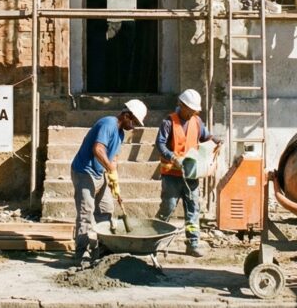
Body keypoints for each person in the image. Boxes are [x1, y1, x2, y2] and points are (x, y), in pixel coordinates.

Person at [70, 99, 148, 266]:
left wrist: (115, 183)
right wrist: (110, 169)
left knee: (106, 210)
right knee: (86, 213)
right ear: (127, 115)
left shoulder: (120, 134)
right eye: (133, 122)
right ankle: (81, 253)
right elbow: (98, 149)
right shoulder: (108, 123)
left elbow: (114, 159)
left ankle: (103, 250)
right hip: (84, 172)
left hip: (99, 174)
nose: (133, 126)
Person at [155, 88, 221, 257]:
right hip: (172, 175)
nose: (192, 112)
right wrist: (172, 156)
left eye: (194, 110)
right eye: (190, 109)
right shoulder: (169, 122)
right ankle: (154, 239)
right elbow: (160, 144)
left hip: (191, 175)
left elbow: (206, 136)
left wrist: (215, 140)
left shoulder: (197, 122)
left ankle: (192, 243)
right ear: (181, 105)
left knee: (193, 210)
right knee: (167, 208)